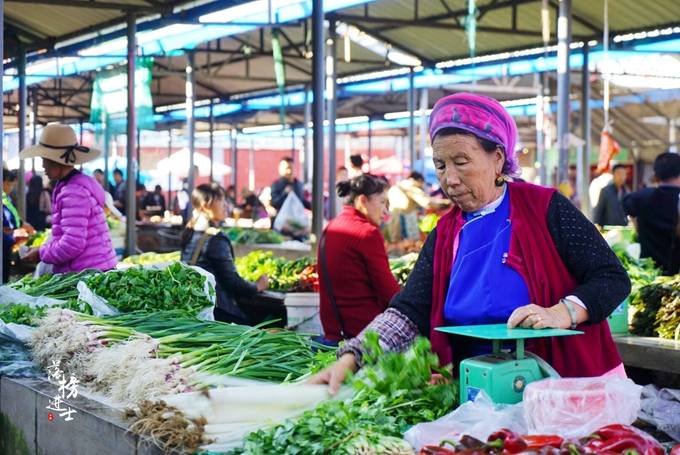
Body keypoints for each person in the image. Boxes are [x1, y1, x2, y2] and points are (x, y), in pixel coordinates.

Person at [311, 93, 631, 393]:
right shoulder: (446, 232)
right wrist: (352, 357)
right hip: (478, 392)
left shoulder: (545, 208)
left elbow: (611, 278)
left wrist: (564, 312)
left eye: (461, 161)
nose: (449, 178)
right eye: (440, 165)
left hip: (562, 386)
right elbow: (409, 311)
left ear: (497, 158)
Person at [19, 124, 117, 273]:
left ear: (57, 161)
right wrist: (43, 248)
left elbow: (73, 244)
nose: (42, 165)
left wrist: (41, 253)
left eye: (44, 159)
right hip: (92, 268)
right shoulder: (72, 185)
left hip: (87, 273)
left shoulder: (73, 193)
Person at [319, 174, 401, 344]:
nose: (386, 211)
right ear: (363, 200)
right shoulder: (367, 233)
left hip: (333, 333)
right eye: (382, 202)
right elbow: (389, 293)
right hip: (362, 337)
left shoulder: (332, 226)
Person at [180, 183, 269, 324]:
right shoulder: (215, 238)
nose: (226, 204)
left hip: (196, 306)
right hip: (218, 310)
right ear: (205, 205)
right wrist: (257, 286)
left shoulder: (190, 231)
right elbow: (232, 282)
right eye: (221, 200)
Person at [623, 152, 680, 275]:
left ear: (656, 174)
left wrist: (637, 224)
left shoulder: (641, 197)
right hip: (676, 278)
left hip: (649, 273)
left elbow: (626, 204)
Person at [387, 171, 444, 242]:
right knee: (408, 247)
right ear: (419, 181)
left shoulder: (396, 186)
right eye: (421, 184)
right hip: (403, 221)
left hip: (393, 221)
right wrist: (446, 203)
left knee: (396, 246)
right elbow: (427, 203)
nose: (421, 186)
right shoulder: (410, 186)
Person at [3, 170, 35, 282]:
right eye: (9, 184)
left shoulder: (5, 197)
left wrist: (20, 225)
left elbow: (13, 216)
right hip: (3, 240)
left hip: (7, 240)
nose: (11, 187)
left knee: (5, 269)